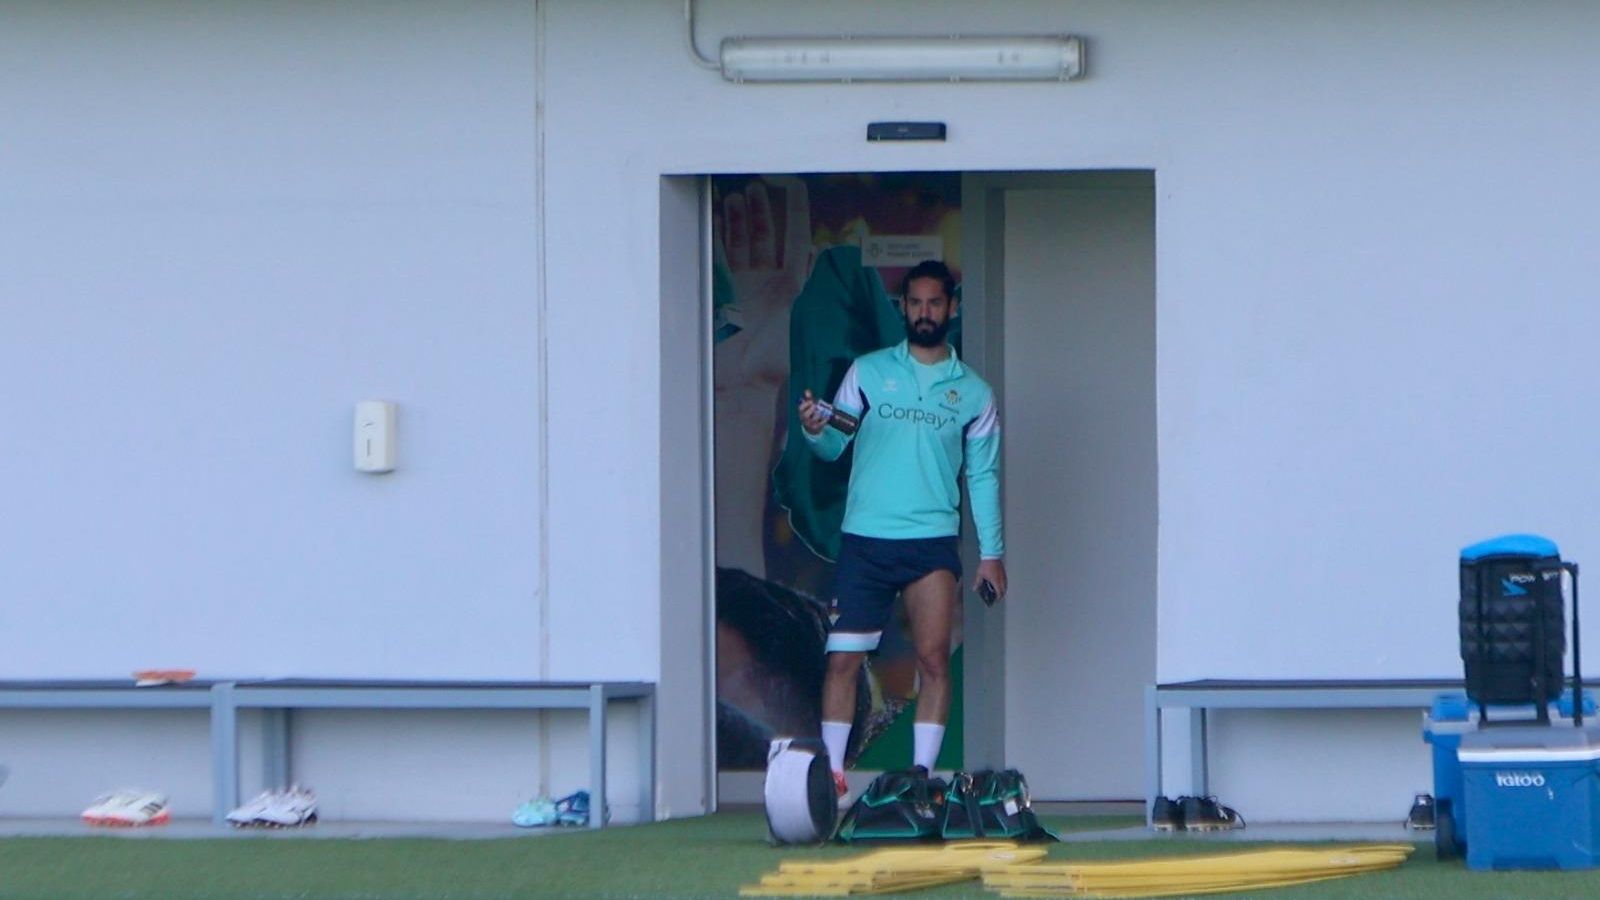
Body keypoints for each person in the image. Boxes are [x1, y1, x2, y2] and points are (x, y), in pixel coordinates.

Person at [796, 259, 1006, 800]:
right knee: (842, 660)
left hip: (931, 543)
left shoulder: (976, 393)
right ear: (904, 309)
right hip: (865, 540)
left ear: (952, 308)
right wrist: (812, 429)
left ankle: (920, 780)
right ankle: (834, 780)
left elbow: (982, 475)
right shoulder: (866, 373)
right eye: (915, 303)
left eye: (935, 303)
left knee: (934, 659)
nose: (925, 312)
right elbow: (833, 443)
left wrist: (992, 554)